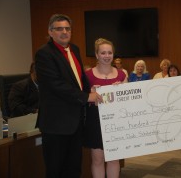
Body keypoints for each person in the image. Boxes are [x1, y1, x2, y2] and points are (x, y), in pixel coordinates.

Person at [35, 14, 100, 178]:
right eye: (59, 29)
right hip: (56, 124)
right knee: (56, 169)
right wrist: (86, 97)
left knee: (73, 168)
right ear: (50, 32)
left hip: (75, 122)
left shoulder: (74, 49)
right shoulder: (44, 54)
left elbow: (78, 79)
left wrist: (89, 89)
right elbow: (56, 85)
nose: (64, 32)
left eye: (67, 28)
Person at [84, 38, 127, 178]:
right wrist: (90, 92)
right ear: (96, 55)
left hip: (116, 121)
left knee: (114, 159)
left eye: (110, 52)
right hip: (95, 121)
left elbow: (129, 102)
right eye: (103, 53)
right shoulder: (87, 75)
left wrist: (122, 91)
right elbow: (80, 97)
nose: (107, 56)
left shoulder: (122, 75)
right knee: (98, 159)